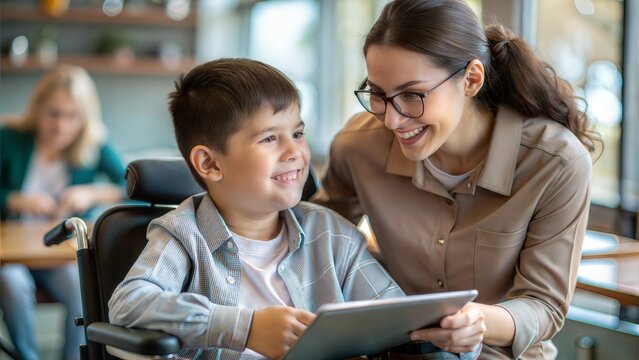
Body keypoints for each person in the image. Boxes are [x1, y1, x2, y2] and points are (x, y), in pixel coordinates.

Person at [108, 58, 482, 360]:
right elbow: (129, 304)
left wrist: (454, 333)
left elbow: (398, 317)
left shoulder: (331, 234)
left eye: (298, 133)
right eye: (270, 138)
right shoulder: (183, 235)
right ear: (209, 164)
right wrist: (246, 329)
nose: (295, 153)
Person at [312, 0, 600, 359]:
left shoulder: (556, 162)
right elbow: (312, 244)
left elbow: (544, 306)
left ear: (471, 79)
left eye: (412, 95)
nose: (392, 120)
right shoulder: (359, 147)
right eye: (379, 95)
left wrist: (477, 321)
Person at [0, 65, 126, 360]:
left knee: (80, 286)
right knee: (11, 284)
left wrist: (91, 192)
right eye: (54, 113)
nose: (61, 126)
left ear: (84, 120)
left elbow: (131, 187)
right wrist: (14, 200)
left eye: (72, 117)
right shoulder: (9, 139)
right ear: (38, 109)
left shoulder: (94, 145)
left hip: (58, 254)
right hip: (12, 255)